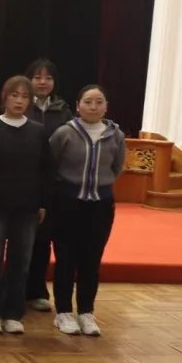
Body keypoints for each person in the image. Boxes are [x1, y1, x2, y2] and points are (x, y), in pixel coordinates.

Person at [0, 76, 51, 335]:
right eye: (14, 95)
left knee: (21, 261)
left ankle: (14, 313)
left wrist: (43, 202)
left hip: (27, 207)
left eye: (25, 96)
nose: (19, 101)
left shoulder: (38, 132)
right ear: (4, 97)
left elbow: (45, 170)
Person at [49, 85, 125, 336]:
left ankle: (86, 312)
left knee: (92, 259)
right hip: (67, 204)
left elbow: (117, 167)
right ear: (78, 105)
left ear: (106, 106)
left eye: (99, 102)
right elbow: (52, 164)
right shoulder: (64, 133)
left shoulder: (116, 135)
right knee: (66, 258)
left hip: (100, 205)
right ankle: (63, 312)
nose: (94, 107)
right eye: (88, 102)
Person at [24, 58, 74, 312]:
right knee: (20, 240)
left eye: (48, 78)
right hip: (22, 182)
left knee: (43, 240)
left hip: (52, 185)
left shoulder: (63, 111)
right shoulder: (20, 105)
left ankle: (36, 290)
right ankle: (13, 289)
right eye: (37, 77)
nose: (42, 82)